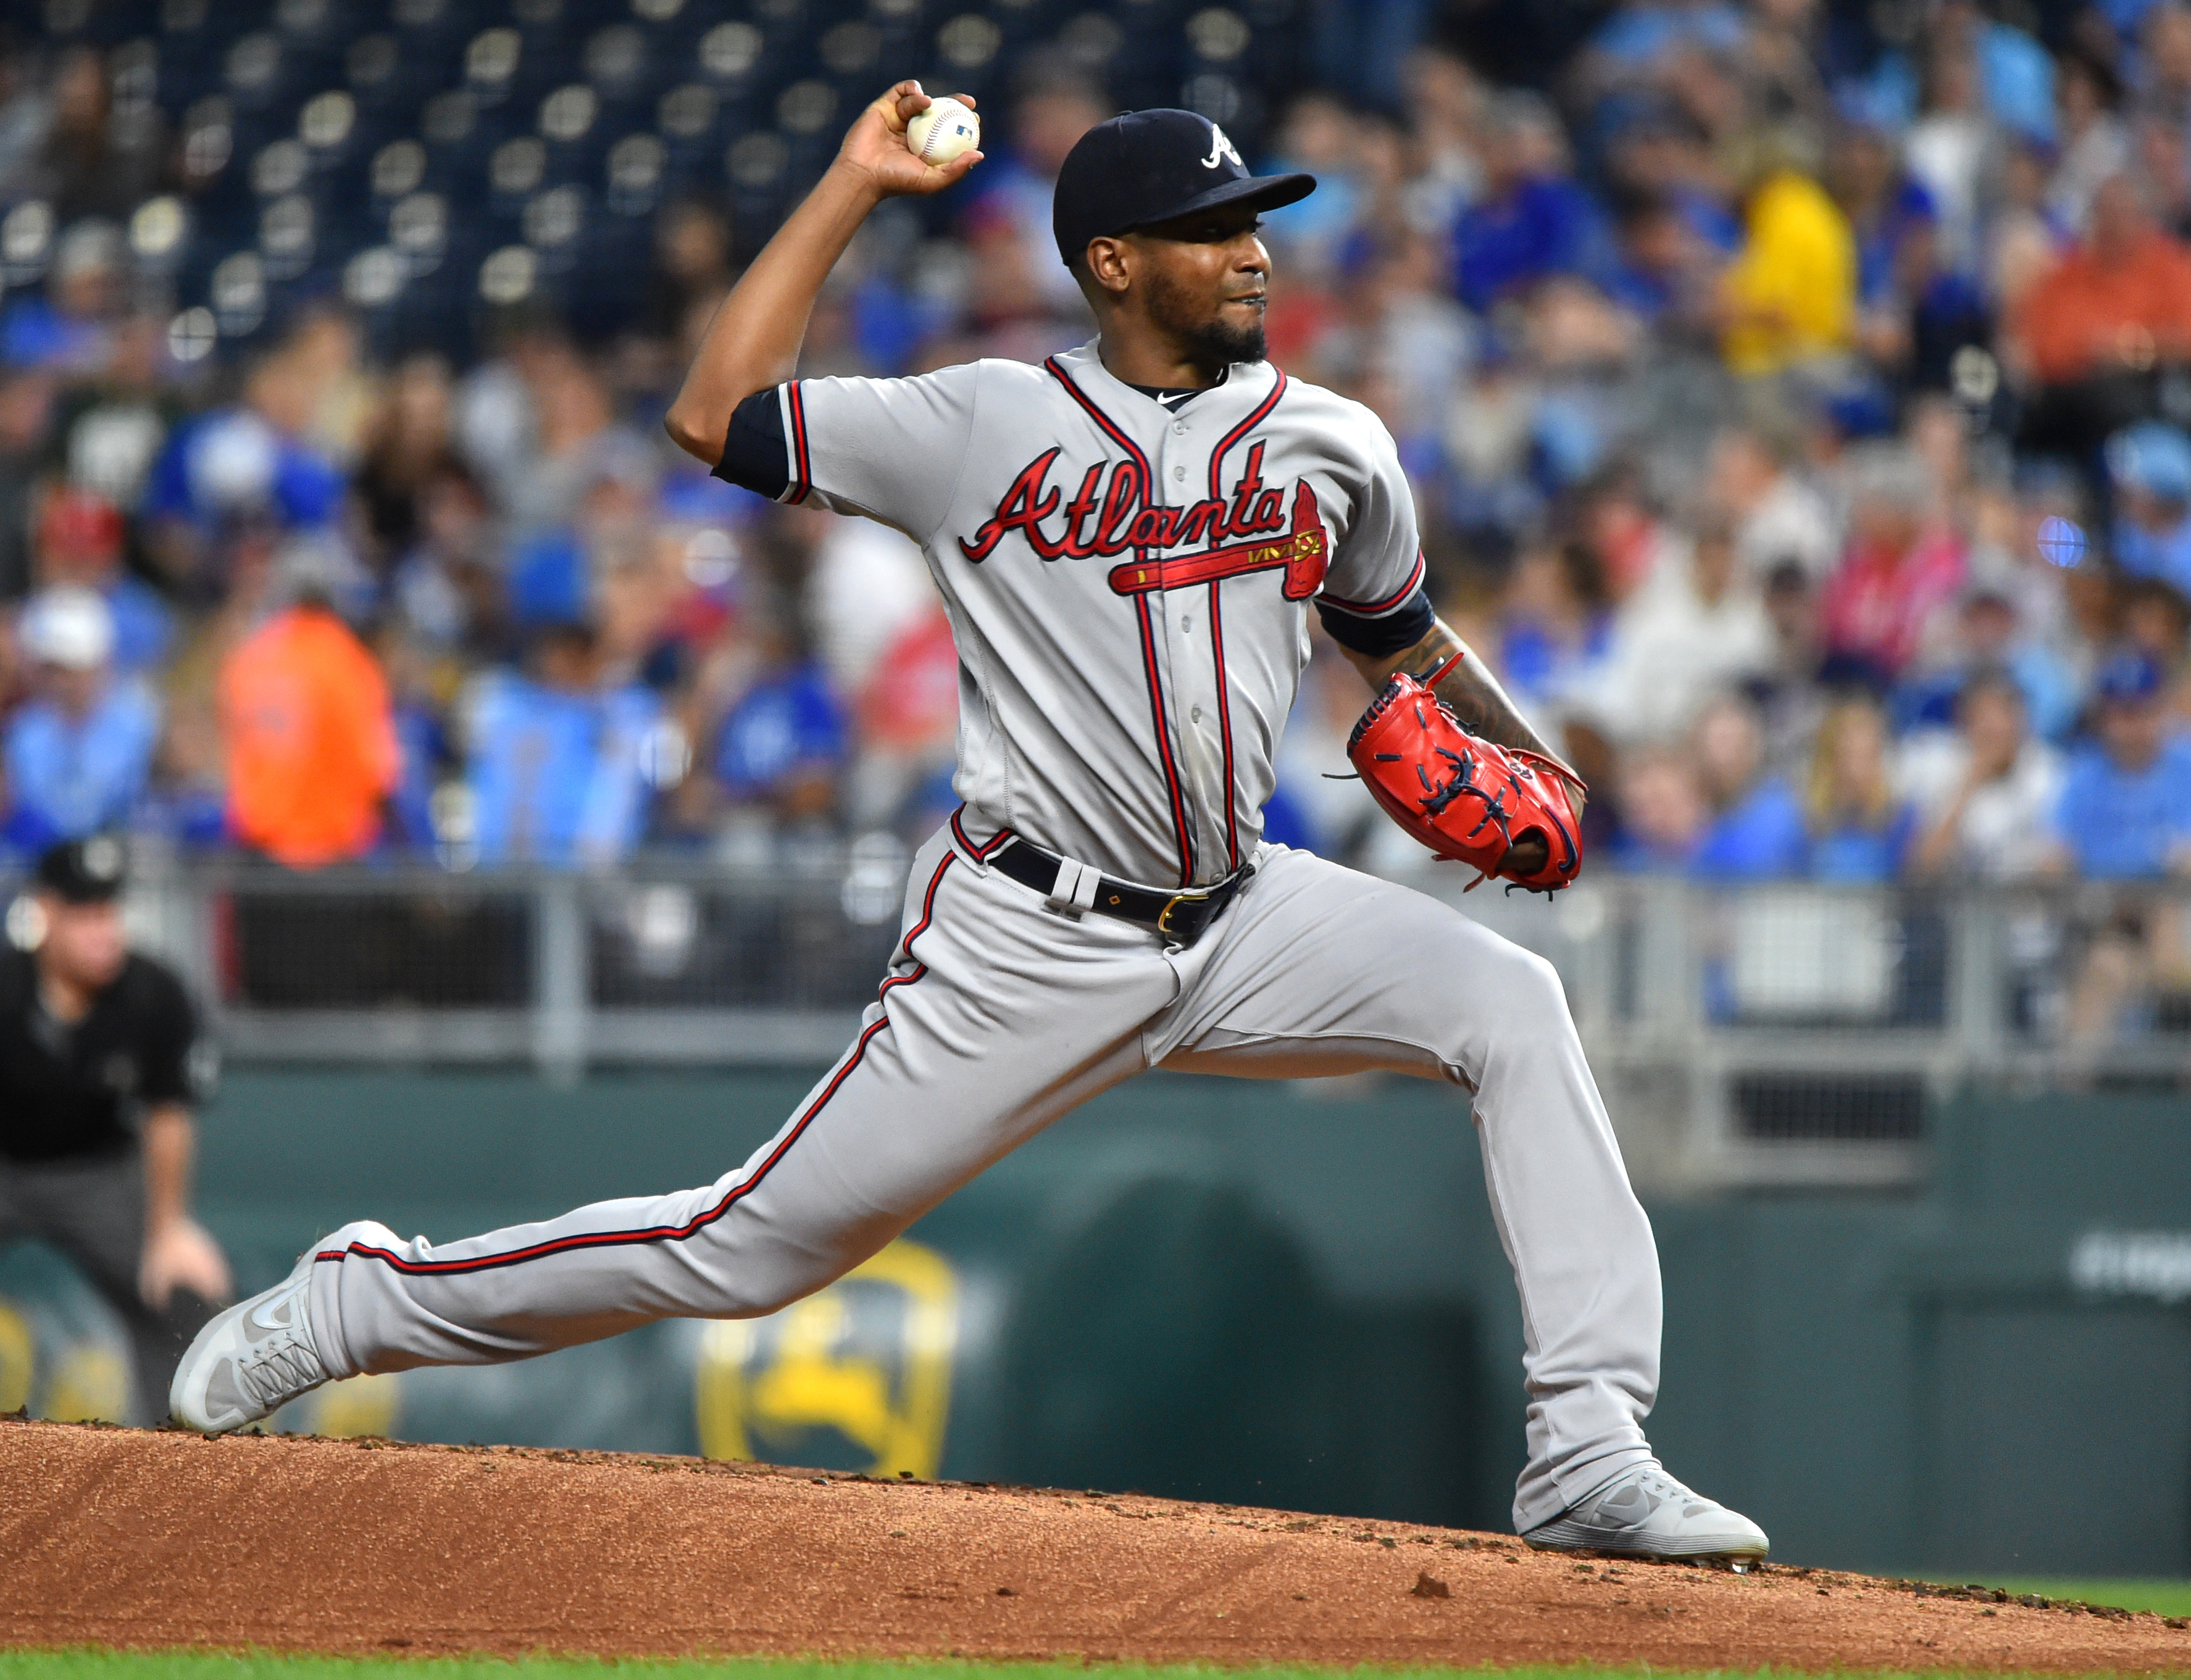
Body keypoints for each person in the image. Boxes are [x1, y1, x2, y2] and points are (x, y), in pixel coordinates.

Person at [172, 86, 1769, 1566]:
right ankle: (361, 1303)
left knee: (1511, 1001)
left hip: (1246, 911)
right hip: (1027, 930)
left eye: (1256, 220)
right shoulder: (977, 422)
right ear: (1113, 262)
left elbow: (1403, 645)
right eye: (1214, 230)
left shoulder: (1328, 442)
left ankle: (1580, 1444)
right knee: (746, 1248)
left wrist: (1532, 761)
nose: (1252, 251)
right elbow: (711, 412)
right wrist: (856, 184)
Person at [0, 836, 227, 1424]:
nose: (104, 930)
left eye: (110, 911)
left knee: (181, 1300)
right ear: (45, 913)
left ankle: (181, 1463)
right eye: (85, 913)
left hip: (95, 1172)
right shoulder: (6, 986)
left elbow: (168, 1113)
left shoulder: (150, 992)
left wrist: (170, 1225)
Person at [2, 585, 161, 854]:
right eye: (55, 669)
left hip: (121, 857)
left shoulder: (141, 723)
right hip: (41, 866)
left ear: (103, 664)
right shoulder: (24, 730)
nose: (65, 682)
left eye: (75, 668)